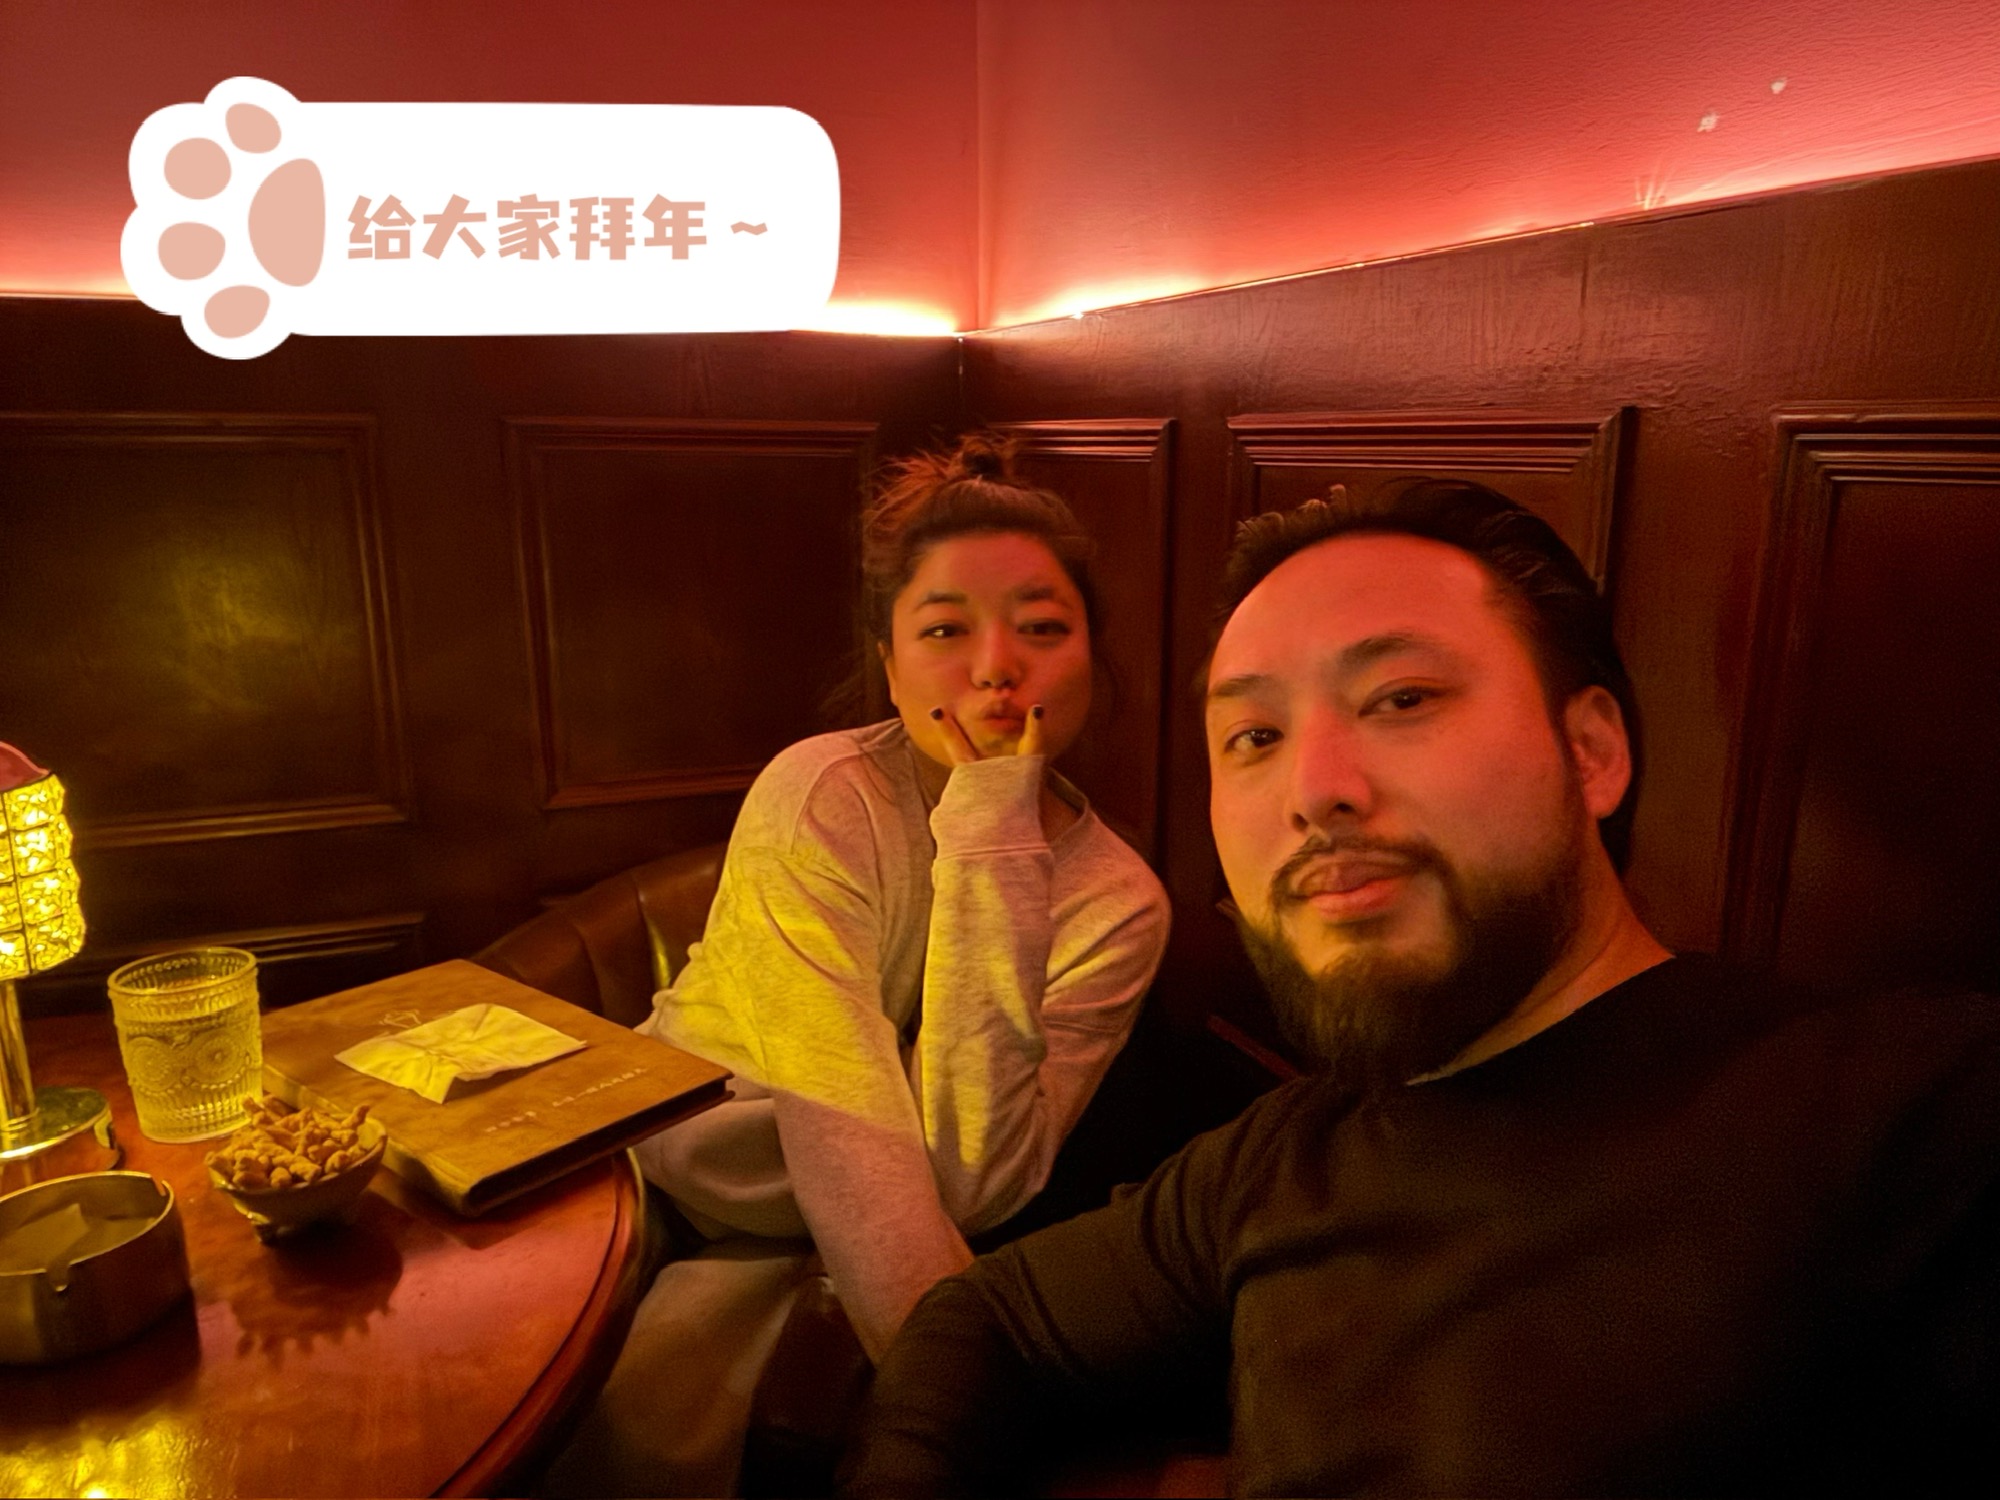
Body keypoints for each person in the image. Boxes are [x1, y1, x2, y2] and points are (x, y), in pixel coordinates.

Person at [843, 479, 2000, 1497]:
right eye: (1252, 736)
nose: (1315, 789)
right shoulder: (1278, 1158)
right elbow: (979, 1322)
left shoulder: (1906, 1113)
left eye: (1399, 699)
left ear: (1591, 751)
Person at [544, 434, 1171, 1498]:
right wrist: (964, 1400)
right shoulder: (822, 792)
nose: (994, 667)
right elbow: (830, 1093)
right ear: (888, 663)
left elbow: (972, 1178)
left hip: (833, 1229)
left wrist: (990, 829)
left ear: (1090, 661)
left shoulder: (1119, 903)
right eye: (944, 630)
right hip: (656, 1167)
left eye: (1040, 627)